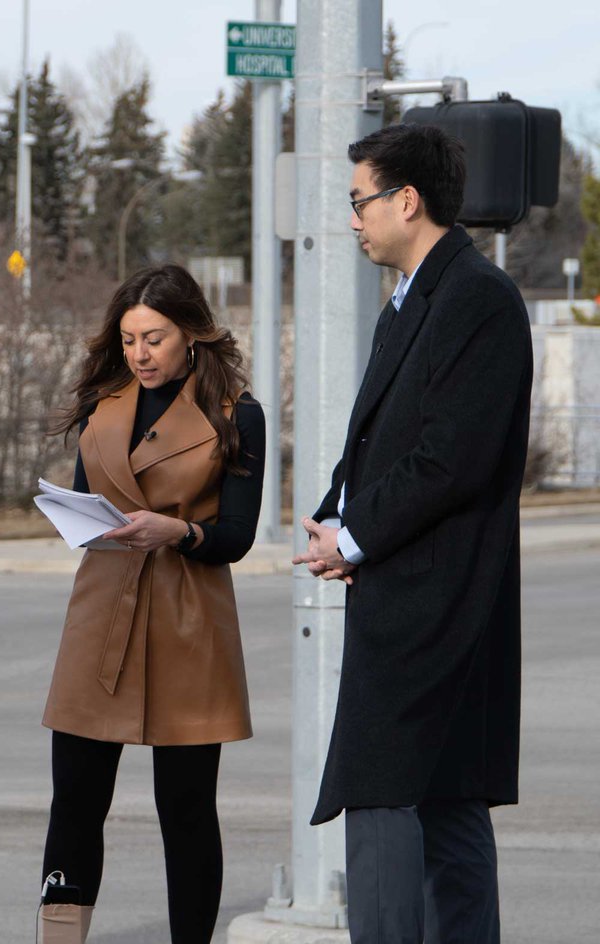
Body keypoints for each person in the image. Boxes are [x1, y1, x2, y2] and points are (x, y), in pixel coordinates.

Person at [292, 123, 532, 943]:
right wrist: (336, 511)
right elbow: (383, 437)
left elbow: (450, 456)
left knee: (395, 799)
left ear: (407, 200)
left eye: (360, 201)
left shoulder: (477, 298)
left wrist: (353, 536)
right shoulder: (411, 302)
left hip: (442, 605)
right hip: (414, 595)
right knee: (442, 799)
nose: (352, 221)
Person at [38, 264, 264, 944]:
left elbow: (238, 537)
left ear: (193, 334)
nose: (139, 353)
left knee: (188, 808)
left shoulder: (236, 414)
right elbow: (89, 497)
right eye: (130, 337)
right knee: (74, 800)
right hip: (101, 612)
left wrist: (181, 531)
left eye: (155, 338)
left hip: (188, 617)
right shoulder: (103, 405)